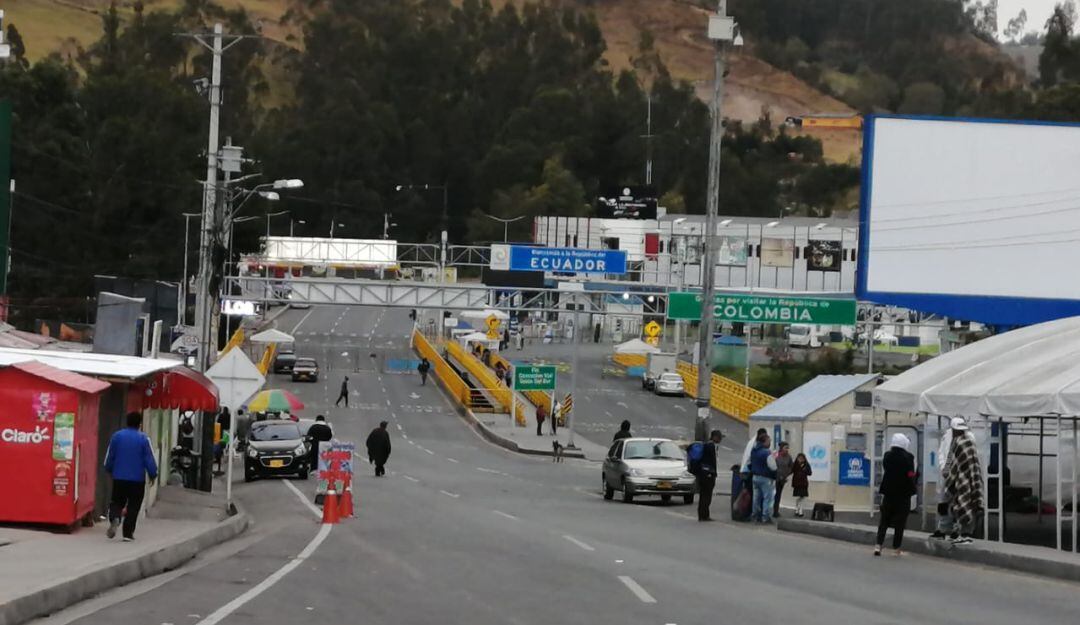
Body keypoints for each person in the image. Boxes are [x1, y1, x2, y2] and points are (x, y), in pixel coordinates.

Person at [103, 412, 159, 541]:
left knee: (117, 501)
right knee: (134, 505)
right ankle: (128, 533)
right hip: (137, 480)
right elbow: (149, 459)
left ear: (126, 422)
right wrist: (153, 474)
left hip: (119, 478)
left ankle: (115, 517)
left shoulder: (117, 436)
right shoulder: (144, 439)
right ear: (140, 424)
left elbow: (109, 457)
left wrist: (109, 469)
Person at [875, 433, 917, 556]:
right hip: (903, 493)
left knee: (884, 520)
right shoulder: (909, 457)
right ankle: (896, 548)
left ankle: (878, 545)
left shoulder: (887, 456)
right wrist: (913, 484)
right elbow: (910, 474)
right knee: (900, 521)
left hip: (888, 492)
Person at [945, 417, 983, 545]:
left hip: (962, 479)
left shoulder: (958, 443)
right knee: (968, 503)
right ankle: (963, 533)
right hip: (972, 476)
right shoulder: (970, 441)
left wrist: (948, 475)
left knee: (960, 503)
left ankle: (963, 533)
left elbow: (953, 462)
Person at [930, 417, 959, 539]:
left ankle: (957, 530)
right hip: (946, 473)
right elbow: (941, 452)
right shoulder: (947, 436)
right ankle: (942, 528)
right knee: (943, 503)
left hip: (959, 474)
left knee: (958, 503)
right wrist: (943, 468)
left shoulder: (968, 437)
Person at [690, 430, 724, 521]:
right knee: (706, 495)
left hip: (702, 473)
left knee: (703, 495)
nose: (720, 439)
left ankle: (702, 514)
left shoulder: (706, 445)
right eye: (719, 437)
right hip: (707, 474)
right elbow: (712, 462)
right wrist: (713, 474)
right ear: (715, 437)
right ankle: (704, 515)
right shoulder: (710, 446)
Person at [750, 433, 777, 523]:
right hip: (765, 478)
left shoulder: (754, 450)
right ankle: (765, 517)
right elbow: (773, 466)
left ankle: (755, 515)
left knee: (756, 497)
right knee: (767, 498)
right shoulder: (766, 452)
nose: (770, 443)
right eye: (769, 441)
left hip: (755, 476)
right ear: (764, 441)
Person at [773, 441, 794, 518]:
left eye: (788, 448)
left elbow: (792, 467)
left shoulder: (789, 457)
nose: (787, 449)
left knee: (778, 495)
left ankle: (775, 511)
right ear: (781, 448)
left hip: (782, 479)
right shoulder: (776, 455)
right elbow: (771, 464)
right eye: (786, 448)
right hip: (774, 477)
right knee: (771, 494)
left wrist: (787, 474)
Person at [791, 452, 813, 517]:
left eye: (802, 458)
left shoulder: (806, 464)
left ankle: (799, 510)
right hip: (797, 483)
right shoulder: (795, 464)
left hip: (804, 483)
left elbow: (810, 473)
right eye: (799, 458)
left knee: (802, 497)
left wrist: (805, 470)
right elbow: (792, 470)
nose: (800, 459)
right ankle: (798, 510)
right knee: (799, 496)